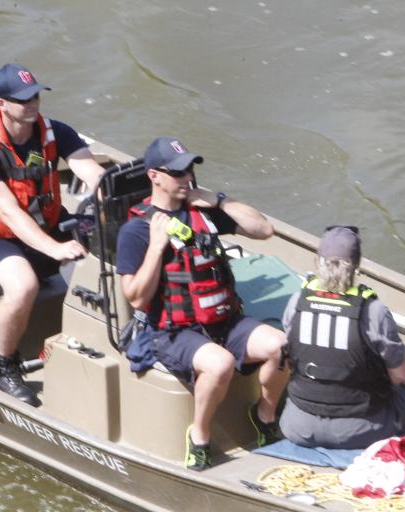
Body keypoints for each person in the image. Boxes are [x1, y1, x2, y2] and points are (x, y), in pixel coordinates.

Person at [114, 137, 287, 470]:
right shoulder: (136, 230)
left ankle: (264, 417)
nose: (186, 178)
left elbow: (263, 229)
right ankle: (200, 437)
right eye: (177, 172)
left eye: (189, 169)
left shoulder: (203, 212)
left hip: (224, 321)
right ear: (155, 176)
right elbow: (135, 296)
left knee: (280, 346)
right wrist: (156, 246)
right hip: (173, 332)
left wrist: (218, 200)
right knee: (220, 364)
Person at [0, 63, 105, 406]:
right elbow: (9, 212)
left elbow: (92, 172)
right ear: (1, 103)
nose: (33, 104)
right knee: (24, 285)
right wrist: (54, 249)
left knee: (116, 252)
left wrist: (106, 198)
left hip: (52, 225)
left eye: (36, 95)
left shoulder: (57, 132)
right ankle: (3, 368)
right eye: (23, 99)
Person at [280, 226, 405, 449]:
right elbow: (399, 375)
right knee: (401, 390)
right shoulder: (374, 311)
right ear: (357, 266)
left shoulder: (296, 303)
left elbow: (293, 357)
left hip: (299, 428)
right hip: (362, 431)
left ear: (317, 262)